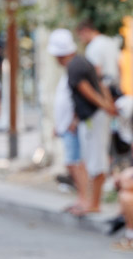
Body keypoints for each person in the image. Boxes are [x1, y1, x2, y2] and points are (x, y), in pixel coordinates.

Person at [48, 28, 117, 216]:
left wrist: (105, 105)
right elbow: (99, 83)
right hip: (90, 117)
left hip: (94, 117)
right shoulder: (81, 62)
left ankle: (94, 203)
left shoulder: (74, 66)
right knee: (93, 160)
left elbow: (86, 90)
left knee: (96, 161)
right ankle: (91, 201)